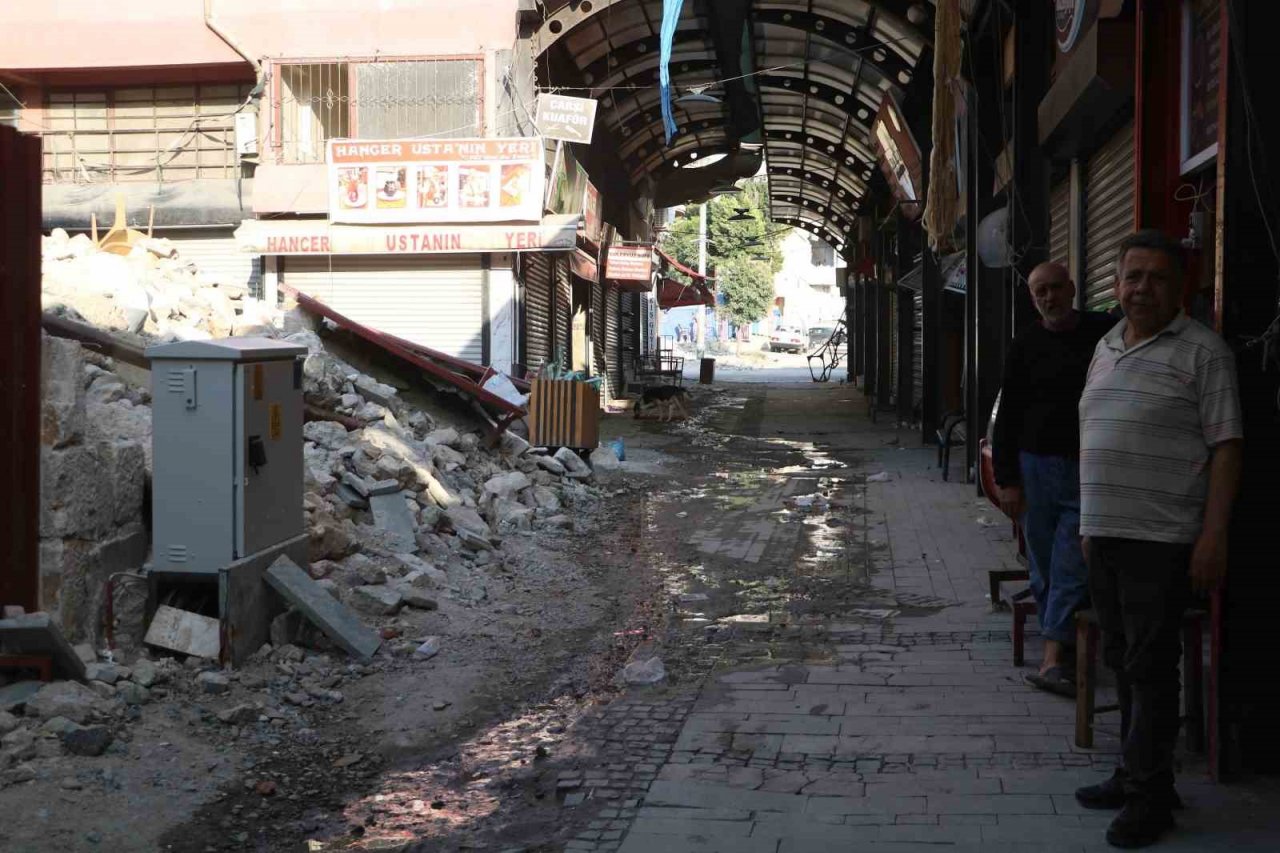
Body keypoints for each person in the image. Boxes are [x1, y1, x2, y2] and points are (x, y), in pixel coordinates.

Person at [1075, 230, 1242, 848]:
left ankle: (1151, 800)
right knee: (1122, 660)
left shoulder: (1204, 353)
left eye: (1157, 278)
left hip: (1162, 537)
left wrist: (1213, 537)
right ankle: (1138, 775)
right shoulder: (1106, 345)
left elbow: (1227, 447)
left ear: (1182, 288)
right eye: (1132, 277)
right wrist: (1090, 528)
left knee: (1150, 668)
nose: (1142, 288)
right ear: (1115, 284)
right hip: (1108, 533)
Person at [993, 262, 1114, 695]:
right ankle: (1061, 653)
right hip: (1035, 469)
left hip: (1087, 468)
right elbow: (1007, 416)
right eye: (1040, 292)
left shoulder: (1105, 333)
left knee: (1071, 561)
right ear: (1032, 298)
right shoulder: (1024, 345)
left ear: (1073, 288)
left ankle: (1052, 658)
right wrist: (1006, 479)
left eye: (1056, 289)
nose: (1049, 298)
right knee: (1043, 565)